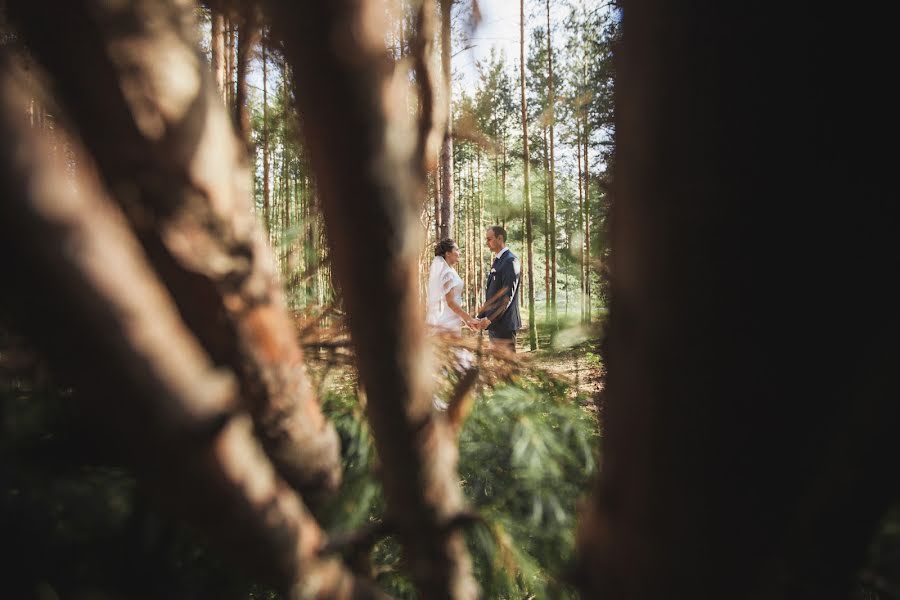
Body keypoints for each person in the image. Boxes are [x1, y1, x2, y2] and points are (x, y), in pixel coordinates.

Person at [474, 226, 521, 352]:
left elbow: (507, 297)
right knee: (499, 367)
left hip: (504, 324)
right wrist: (480, 317)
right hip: (495, 324)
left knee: (508, 368)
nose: (486, 243)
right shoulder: (499, 260)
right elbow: (492, 294)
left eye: (489, 239)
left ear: (500, 238)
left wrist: (489, 319)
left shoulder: (510, 261)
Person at [426, 238, 479, 335]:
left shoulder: (451, 271)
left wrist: (462, 320)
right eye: (457, 250)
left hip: (452, 320)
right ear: (448, 253)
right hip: (447, 322)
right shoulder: (447, 274)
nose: (460, 253)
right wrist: (469, 319)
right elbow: (450, 302)